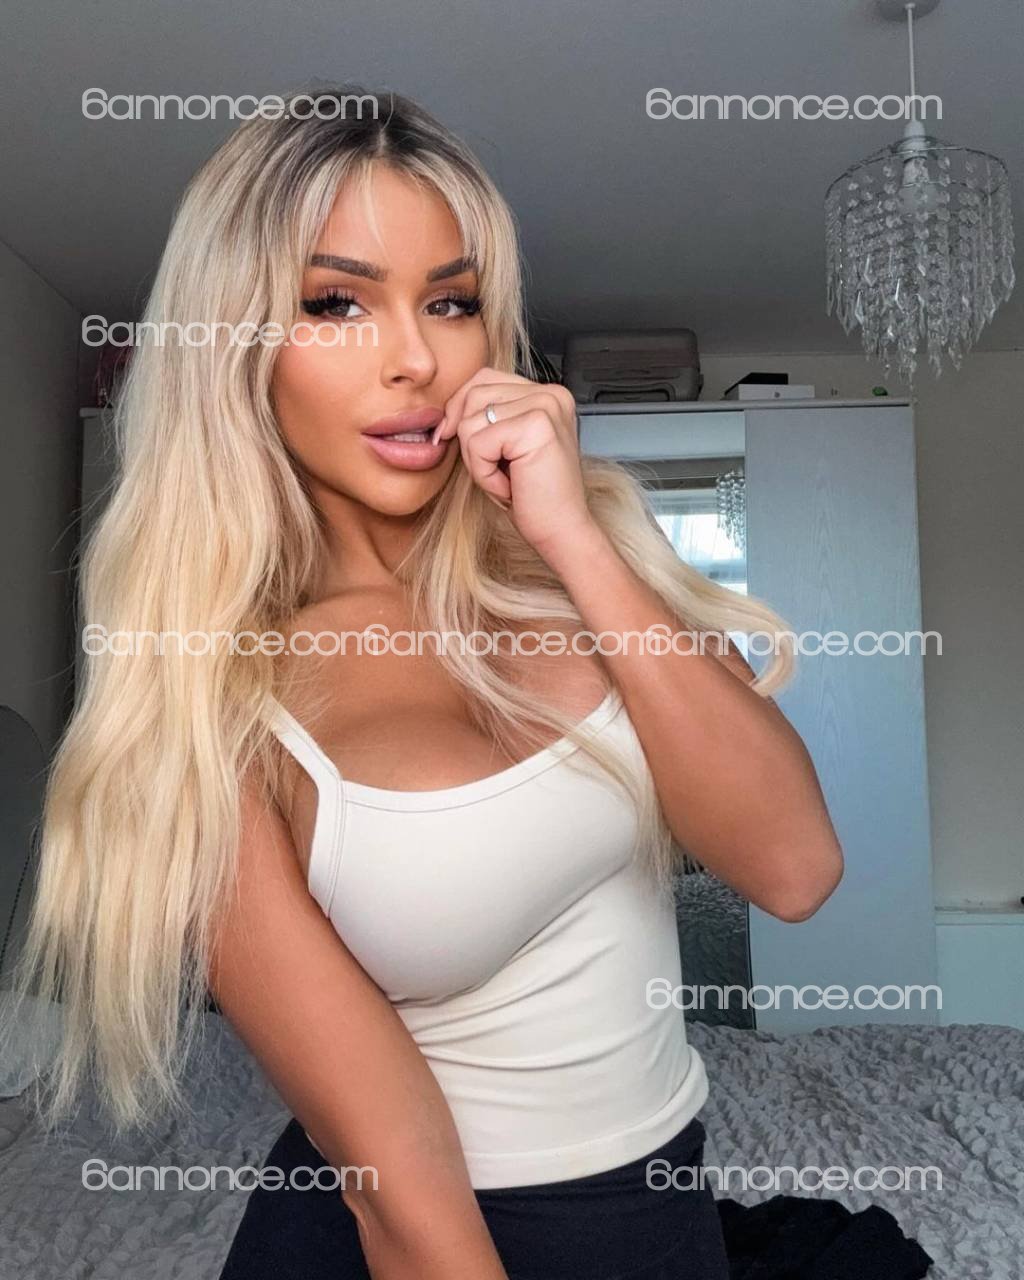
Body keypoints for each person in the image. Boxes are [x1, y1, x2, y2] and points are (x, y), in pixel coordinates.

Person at [5, 86, 844, 1279]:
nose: (415, 358)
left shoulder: (581, 559)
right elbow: (401, 1196)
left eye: (450, 301)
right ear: (236, 346)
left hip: (654, 1205)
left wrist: (574, 537)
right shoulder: (206, 706)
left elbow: (794, 865)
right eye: (335, 303)